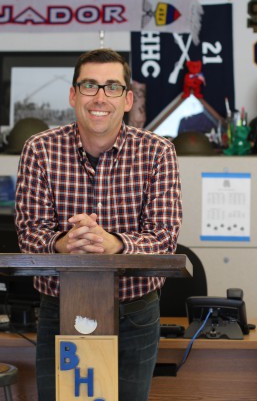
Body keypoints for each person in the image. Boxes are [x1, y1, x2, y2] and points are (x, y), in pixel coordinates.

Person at [15, 48, 182, 401]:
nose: (100, 97)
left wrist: (115, 245)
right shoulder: (40, 149)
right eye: (90, 85)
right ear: (74, 94)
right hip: (58, 309)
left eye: (112, 87)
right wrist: (65, 243)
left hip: (135, 312)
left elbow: (165, 237)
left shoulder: (158, 152)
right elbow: (29, 232)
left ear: (127, 99)